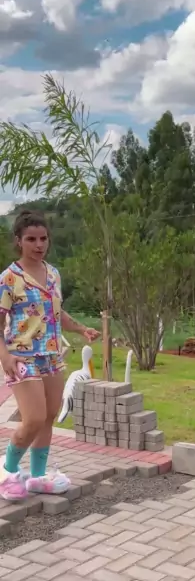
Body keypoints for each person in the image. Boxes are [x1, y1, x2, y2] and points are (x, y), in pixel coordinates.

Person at [0, 209, 100, 501]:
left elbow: (56, 311)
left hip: (52, 356)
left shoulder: (53, 273)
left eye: (43, 238)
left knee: (49, 416)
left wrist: (81, 329)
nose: (39, 244)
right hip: (22, 357)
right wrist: (5, 358)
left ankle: (38, 476)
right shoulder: (9, 278)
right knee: (33, 418)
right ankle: (7, 471)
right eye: (31, 239)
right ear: (19, 241)